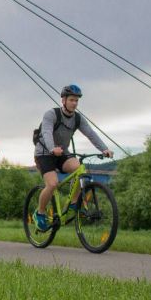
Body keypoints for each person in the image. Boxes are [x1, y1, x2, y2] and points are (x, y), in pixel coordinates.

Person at [33, 84, 113, 231]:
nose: (74, 103)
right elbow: (46, 132)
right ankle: (40, 213)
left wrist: (104, 149)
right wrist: (52, 148)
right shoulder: (51, 114)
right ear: (63, 100)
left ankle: (73, 203)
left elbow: (91, 133)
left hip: (62, 152)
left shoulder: (77, 119)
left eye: (76, 100)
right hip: (44, 153)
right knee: (52, 184)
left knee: (79, 169)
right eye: (71, 100)